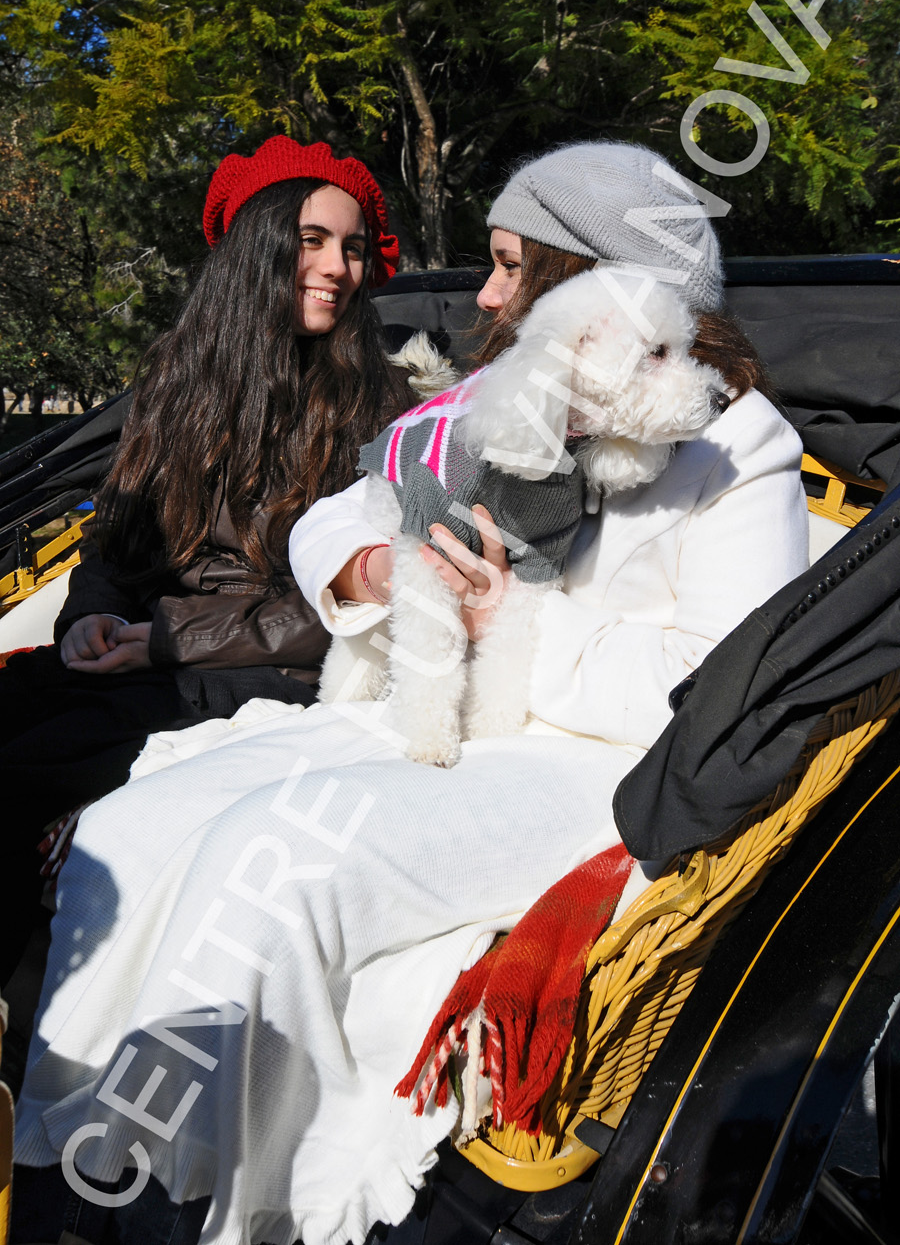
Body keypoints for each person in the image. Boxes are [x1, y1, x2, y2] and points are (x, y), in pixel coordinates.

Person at [12, 141, 809, 1245]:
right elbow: (345, 507)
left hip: (580, 754)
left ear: (590, 280)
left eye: (507, 264)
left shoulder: (735, 443)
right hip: (424, 713)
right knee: (135, 828)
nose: (483, 293)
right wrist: (380, 566)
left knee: (281, 868)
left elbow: (717, 681)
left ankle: (210, 1208)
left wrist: (512, 620)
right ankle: (81, 1163)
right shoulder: (499, 395)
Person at [0, 135, 413, 986]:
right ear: (258, 246)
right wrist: (88, 619)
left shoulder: (379, 408)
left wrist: (164, 636)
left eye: (353, 247)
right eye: (312, 240)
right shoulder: (176, 387)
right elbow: (116, 540)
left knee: (24, 775)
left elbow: (339, 609)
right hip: (146, 655)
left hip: (272, 676)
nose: (338, 265)